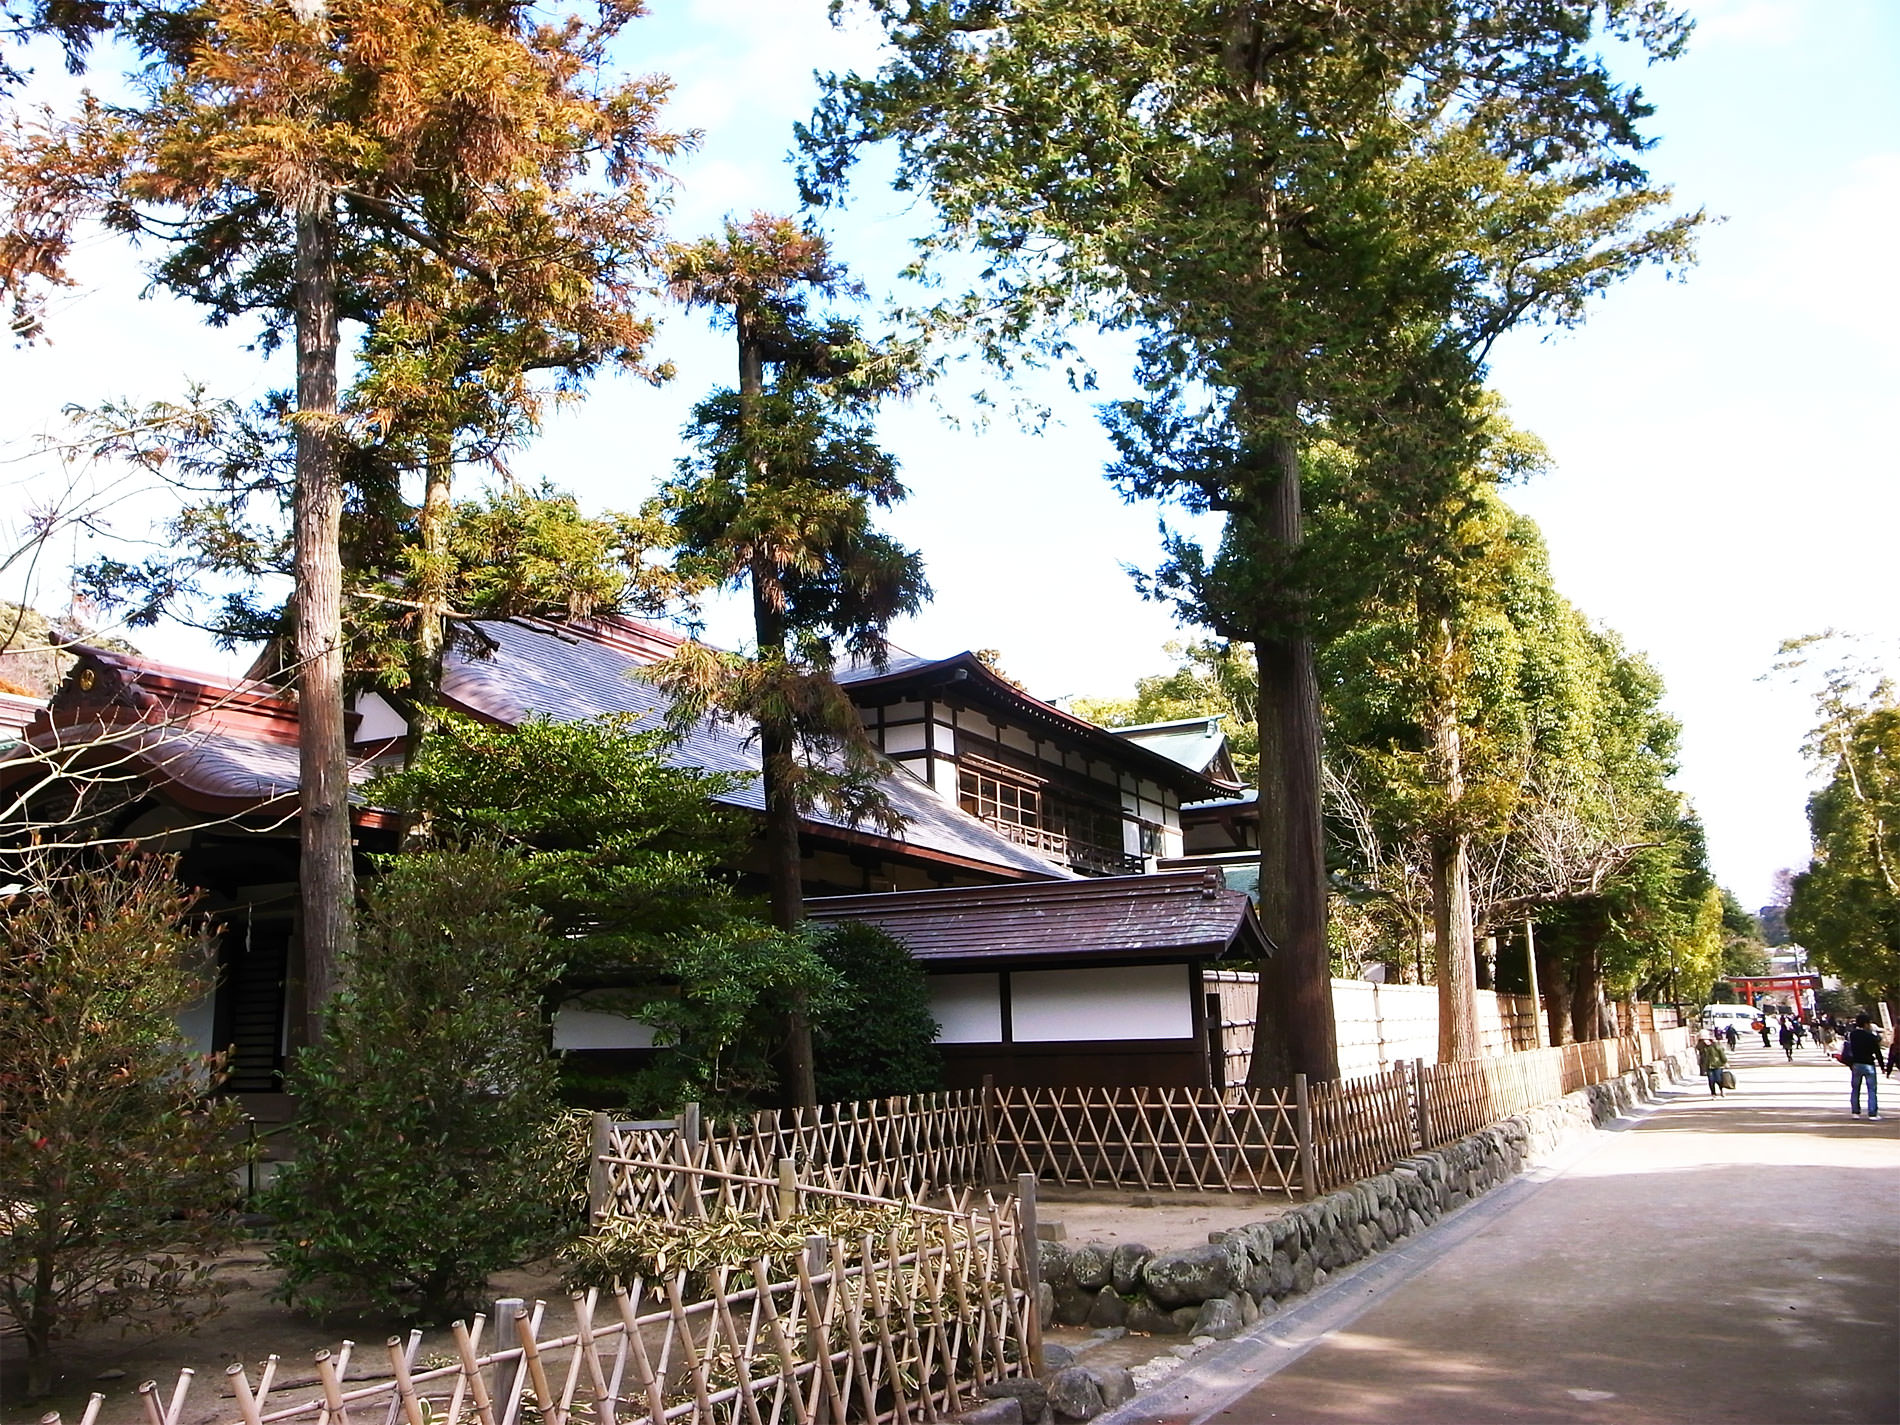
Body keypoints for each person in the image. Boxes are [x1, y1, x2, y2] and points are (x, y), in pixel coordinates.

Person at [1844, 1014, 1884, 1119]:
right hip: (1869, 1064)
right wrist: (1882, 1065)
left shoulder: (1853, 1035)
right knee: (1871, 1089)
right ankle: (1872, 1113)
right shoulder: (1871, 1037)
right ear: (1866, 1024)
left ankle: (1855, 1112)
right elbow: (1877, 1051)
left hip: (1856, 1064)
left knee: (1855, 1088)